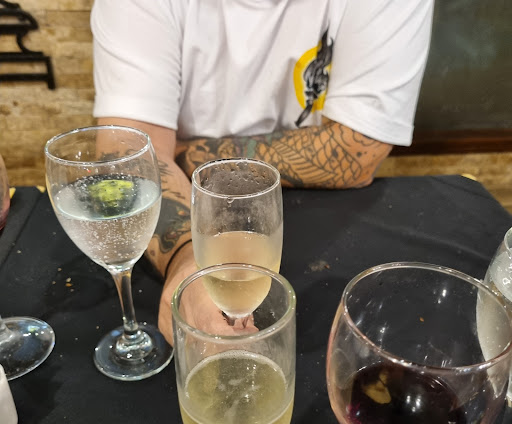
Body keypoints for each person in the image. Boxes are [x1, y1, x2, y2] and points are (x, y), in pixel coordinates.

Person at [90, 0, 434, 343]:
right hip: (192, 221)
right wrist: (186, 261)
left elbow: (355, 153)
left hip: (312, 216)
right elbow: (125, 156)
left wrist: (172, 155)